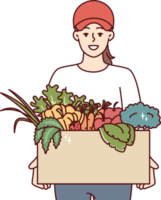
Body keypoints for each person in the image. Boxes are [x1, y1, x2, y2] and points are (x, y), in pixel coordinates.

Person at [29, 1, 159, 200]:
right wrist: (42, 162)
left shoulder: (123, 77)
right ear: (76, 36)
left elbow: (137, 124)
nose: (93, 39)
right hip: (69, 171)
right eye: (86, 32)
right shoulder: (62, 76)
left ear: (110, 36)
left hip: (116, 170)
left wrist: (144, 162)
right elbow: (48, 125)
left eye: (99, 33)